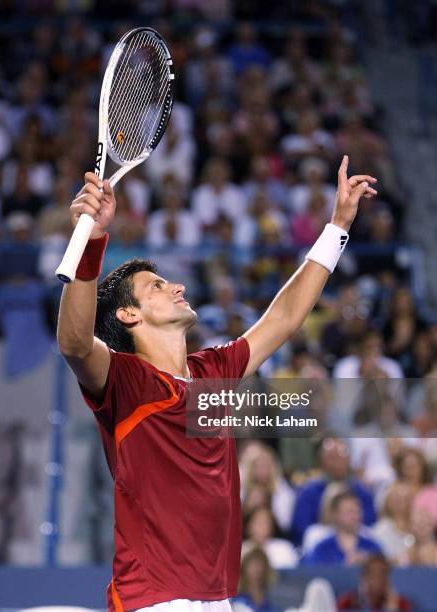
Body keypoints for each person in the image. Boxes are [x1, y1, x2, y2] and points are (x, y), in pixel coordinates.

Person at [56, 156, 377, 611]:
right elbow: (73, 342)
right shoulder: (125, 381)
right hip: (154, 601)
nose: (178, 287)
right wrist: (89, 240)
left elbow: (283, 319)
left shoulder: (212, 372)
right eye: (157, 286)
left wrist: (337, 226)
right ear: (129, 315)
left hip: (218, 598)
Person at [291, 437, 376, 544]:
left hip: (356, 542)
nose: (337, 461)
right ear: (320, 461)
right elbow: (301, 528)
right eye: (332, 457)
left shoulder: (361, 491)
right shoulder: (308, 492)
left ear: (348, 459)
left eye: (341, 455)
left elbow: (370, 523)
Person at [302, 490, 382, 565]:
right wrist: (344, 566)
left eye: (357, 511)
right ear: (335, 515)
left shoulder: (372, 547)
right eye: (349, 512)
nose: (354, 516)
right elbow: (311, 575)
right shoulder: (322, 549)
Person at [337, 554, 413, 610]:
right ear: (363, 577)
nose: (378, 580)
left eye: (383, 574)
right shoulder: (346, 602)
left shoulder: (401, 604)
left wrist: (392, 609)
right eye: (373, 574)